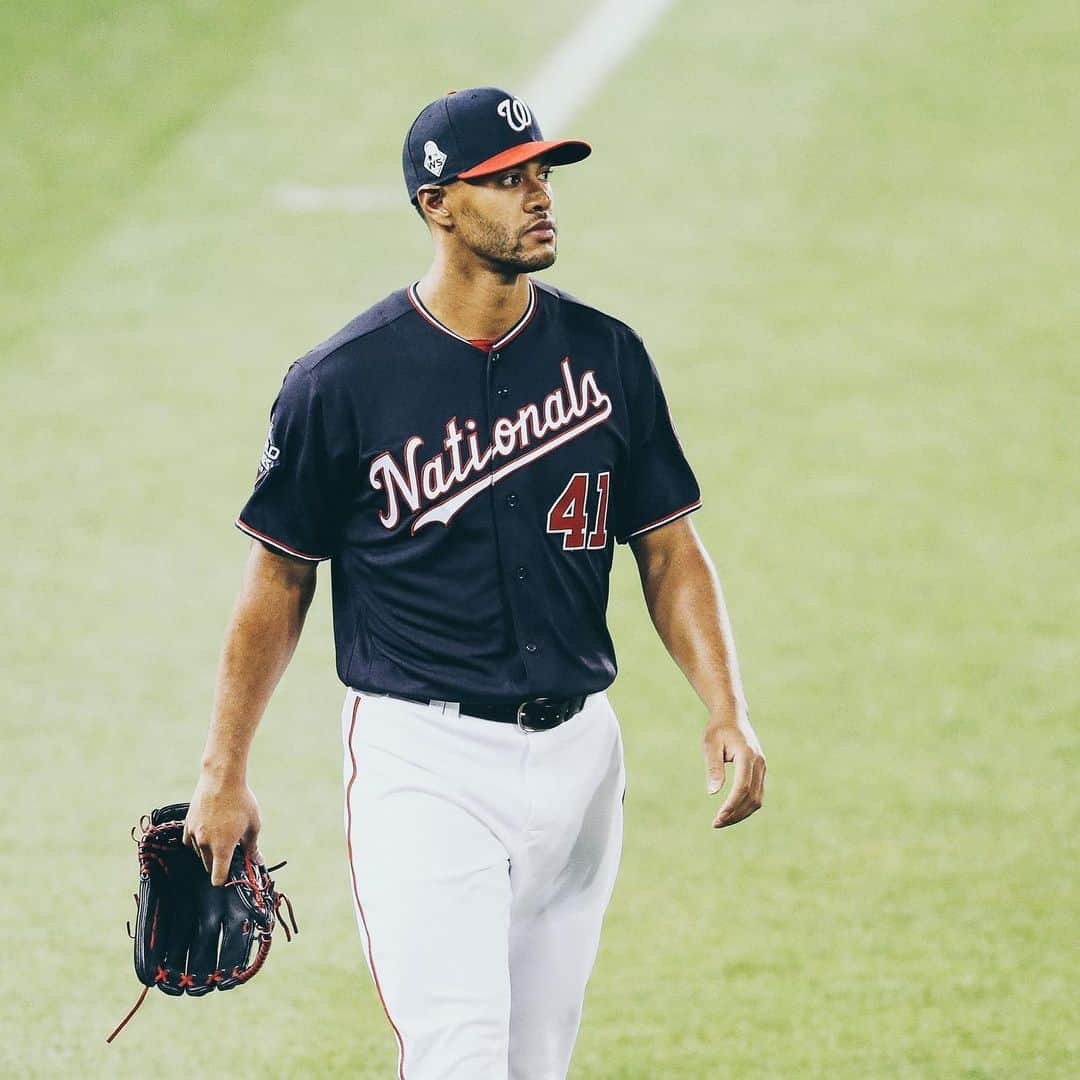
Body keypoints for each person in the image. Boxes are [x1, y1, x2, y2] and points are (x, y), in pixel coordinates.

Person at [183, 86, 765, 1080]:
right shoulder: (341, 382)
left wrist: (725, 704)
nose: (539, 195)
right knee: (460, 1056)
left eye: (543, 173)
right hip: (426, 764)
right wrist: (222, 773)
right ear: (437, 204)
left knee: (535, 1062)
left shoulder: (608, 355)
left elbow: (667, 548)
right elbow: (278, 580)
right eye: (508, 179)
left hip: (583, 757)